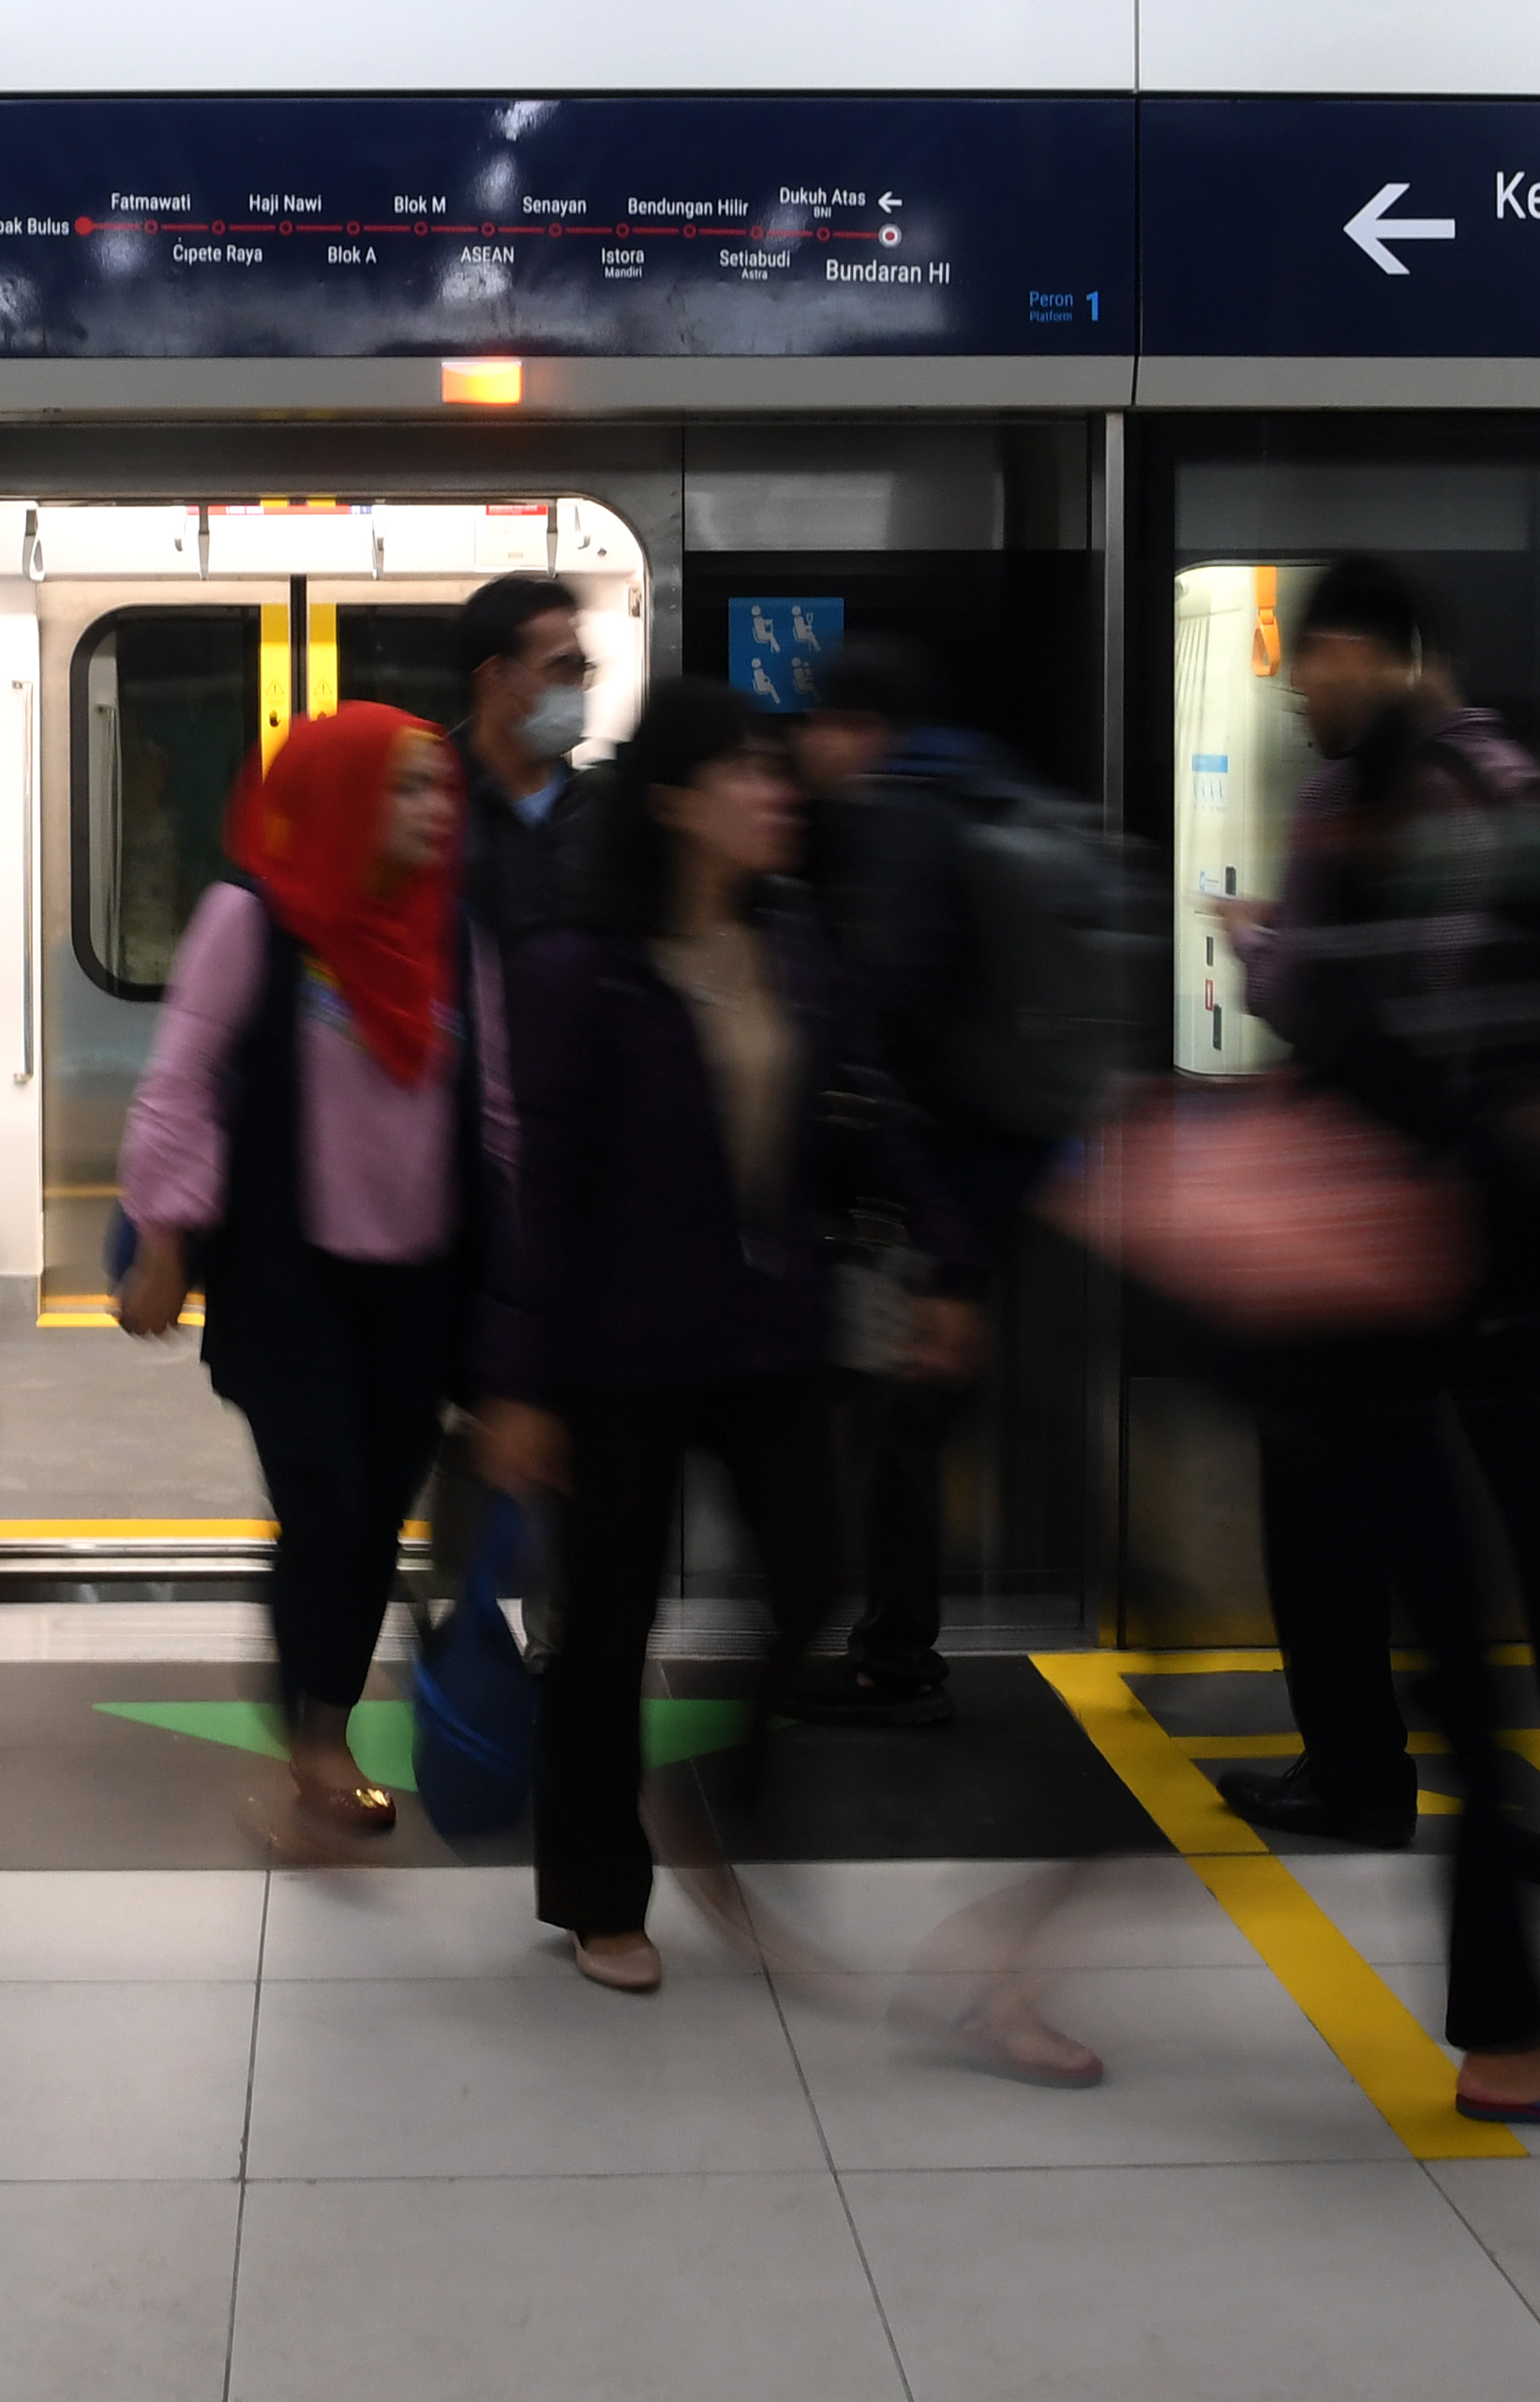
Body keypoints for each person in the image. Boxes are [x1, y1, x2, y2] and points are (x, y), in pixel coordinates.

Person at [1208, 558, 1540, 2134]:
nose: (1294, 693)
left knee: (1437, 1587)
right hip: (1494, 1251)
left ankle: (1382, 1784)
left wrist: (1267, 951)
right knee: (1517, 1553)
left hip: (1405, 1261)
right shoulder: (1510, 779)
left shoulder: (1384, 800)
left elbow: (1360, 1014)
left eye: (1307, 664)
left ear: (1362, 654)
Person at [486, 680, 1009, 2006]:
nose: (779, 794)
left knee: (814, 1570)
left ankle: (708, 1798)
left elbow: (872, 1117)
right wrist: (520, 1380)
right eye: (747, 776)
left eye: (780, 774)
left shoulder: (799, 943)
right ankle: (602, 1894)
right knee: (603, 1631)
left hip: (767, 1332)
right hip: (613, 1353)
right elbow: (536, 1188)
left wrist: (949, 1258)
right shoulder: (579, 967)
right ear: (674, 805)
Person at [116, 705, 504, 1836]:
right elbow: (179, 1079)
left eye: (440, 789)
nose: (436, 811)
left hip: (418, 1280)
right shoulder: (256, 918)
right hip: (290, 1278)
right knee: (329, 1500)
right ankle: (320, 1737)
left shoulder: (453, 936)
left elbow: (500, 1114)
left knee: (377, 1511)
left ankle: (315, 1695)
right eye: (407, 788)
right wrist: (164, 1234)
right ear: (341, 795)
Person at [791, 639, 1142, 1725]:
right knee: (948, 1408)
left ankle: (893, 1654)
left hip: (938, 1179)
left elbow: (888, 1005)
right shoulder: (997, 796)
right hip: (1021, 1160)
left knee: (898, 1423)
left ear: (858, 729)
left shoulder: (902, 816)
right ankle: (1107, 1579)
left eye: (819, 724)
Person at [453, 573, 599, 957]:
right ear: (495, 678)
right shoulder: (434, 800)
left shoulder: (599, 810)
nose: (578, 687)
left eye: (582, 668)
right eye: (561, 667)